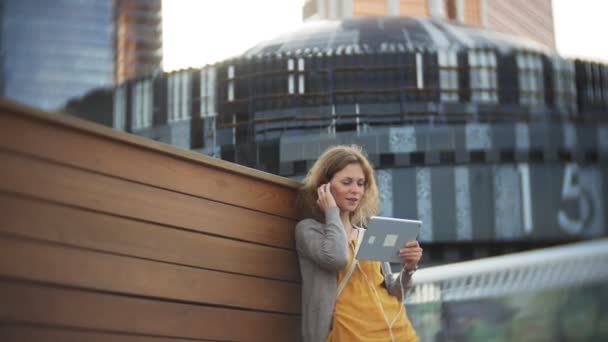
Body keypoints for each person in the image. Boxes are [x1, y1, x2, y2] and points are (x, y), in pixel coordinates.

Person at [295, 145, 423, 342]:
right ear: (324, 186)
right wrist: (331, 212)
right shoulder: (308, 230)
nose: (355, 190)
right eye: (347, 182)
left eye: (361, 183)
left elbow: (394, 291)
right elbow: (337, 258)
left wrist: (409, 268)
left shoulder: (369, 234)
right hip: (348, 334)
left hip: (395, 331)